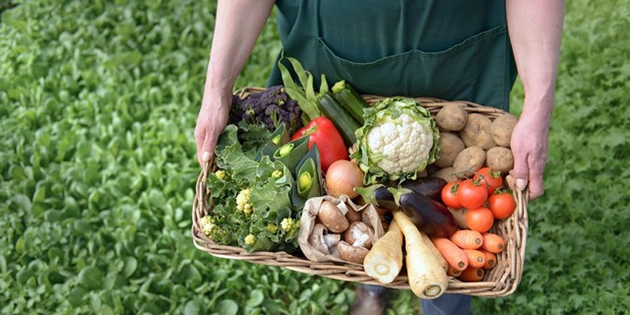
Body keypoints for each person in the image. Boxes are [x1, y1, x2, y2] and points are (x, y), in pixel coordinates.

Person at [194, 1, 565, 314]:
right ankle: (372, 273)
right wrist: (217, 87)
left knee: (453, 229)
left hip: (456, 56)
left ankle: (446, 298)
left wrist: (539, 103)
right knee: (359, 206)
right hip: (333, 53)